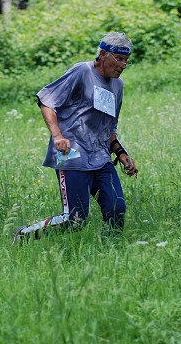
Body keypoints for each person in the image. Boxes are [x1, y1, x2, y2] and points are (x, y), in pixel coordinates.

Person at [12, 32, 138, 244]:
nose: (123, 65)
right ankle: (24, 235)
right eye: (119, 59)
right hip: (72, 157)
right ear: (104, 54)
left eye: (127, 61)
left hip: (101, 157)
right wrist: (57, 135)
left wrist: (121, 152)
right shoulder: (82, 71)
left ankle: (109, 252)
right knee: (75, 220)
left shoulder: (118, 86)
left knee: (117, 209)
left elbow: (109, 126)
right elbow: (47, 102)